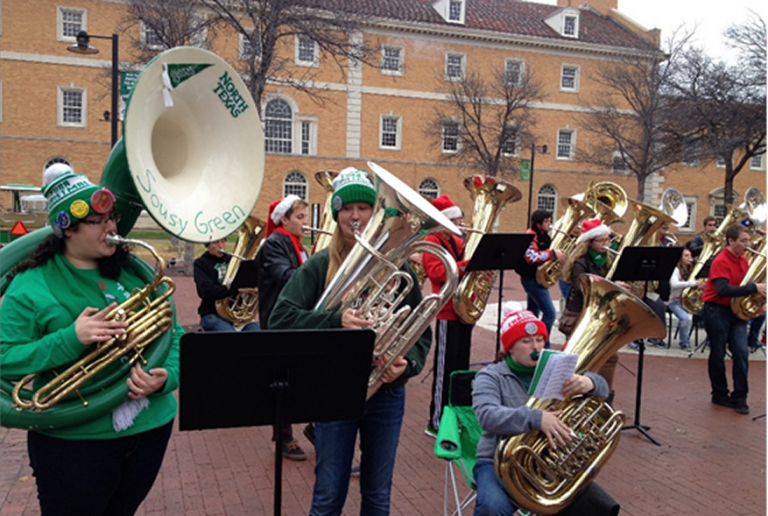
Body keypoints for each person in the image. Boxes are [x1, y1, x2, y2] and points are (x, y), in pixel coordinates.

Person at [0, 166, 181, 516]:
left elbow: (172, 332)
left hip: (150, 426)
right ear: (66, 229)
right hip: (75, 440)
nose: (111, 228)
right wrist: (72, 338)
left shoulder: (132, 272)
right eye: (97, 221)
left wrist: (166, 376)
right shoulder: (31, 284)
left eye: (111, 218)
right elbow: (4, 357)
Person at [269, 168, 432, 516]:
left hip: (386, 392)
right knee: (328, 496)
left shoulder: (397, 266)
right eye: (346, 208)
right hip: (334, 390)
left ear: (375, 212)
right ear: (337, 214)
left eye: (363, 207)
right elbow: (280, 319)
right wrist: (334, 320)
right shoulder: (318, 266)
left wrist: (406, 365)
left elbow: (420, 330)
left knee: (377, 496)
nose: (355, 216)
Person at [472, 305, 618, 516]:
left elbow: (603, 390)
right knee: (493, 507)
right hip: (497, 462)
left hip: (547, 462)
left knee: (597, 507)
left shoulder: (555, 368)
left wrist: (590, 383)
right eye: (526, 341)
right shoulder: (490, 377)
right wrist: (537, 418)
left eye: (540, 340)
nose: (536, 347)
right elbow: (487, 416)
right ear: (510, 347)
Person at [256, 194, 309, 461]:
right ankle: (284, 437)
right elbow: (288, 278)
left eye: (305, 217)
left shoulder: (298, 244)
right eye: (300, 217)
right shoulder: (274, 244)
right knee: (282, 382)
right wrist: (317, 270)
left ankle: (315, 425)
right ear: (284, 220)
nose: (305, 222)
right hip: (278, 321)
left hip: (297, 319)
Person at [702, 223, 768, 415]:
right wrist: (753, 288)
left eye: (749, 240)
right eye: (743, 241)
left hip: (735, 312)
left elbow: (744, 290)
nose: (748, 245)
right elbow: (722, 290)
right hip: (717, 310)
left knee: (741, 352)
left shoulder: (744, 260)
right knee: (718, 353)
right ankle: (719, 393)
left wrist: (759, 302)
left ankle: (740, 396)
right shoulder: (721, 260)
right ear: (731, 241)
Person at [423, 195, 473, 437]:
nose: (460, 224)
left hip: (464, 310)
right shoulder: (432, 241)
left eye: (459, 220)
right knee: (445, 369)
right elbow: (436, 273)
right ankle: (436, 421)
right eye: (455, 220)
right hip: (446, 311)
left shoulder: (456, 240)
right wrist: (466, 265)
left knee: (461, 369)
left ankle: (458, 416)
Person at [560, 219, 620, 401]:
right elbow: (583, 286)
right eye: (601, 241)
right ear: (590, 242)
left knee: (610, 356)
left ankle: (604, 398)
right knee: (578, 359)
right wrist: (611, 286)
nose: (606, 244)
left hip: (601, 315)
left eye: (607, 240)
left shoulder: (607, 261)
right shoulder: (580, 262)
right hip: (581, 315)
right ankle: (570, 395)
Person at [514, 209, 567, 347]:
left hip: (537, 278)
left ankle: (528, 341)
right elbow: (531, 257)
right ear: (538, 224)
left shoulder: (544, 236)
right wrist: (552, 253)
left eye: (550, 220)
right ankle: (543, 344)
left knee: (532, 313)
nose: (550, 224)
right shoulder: (531, 235)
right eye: (546, 221)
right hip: (531, 279)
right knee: (550, 314)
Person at [193, 238, 260, 332]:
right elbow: (205, 291)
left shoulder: (234, 260)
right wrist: (235, 289)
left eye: (223, 241)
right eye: (215, 242)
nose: (220, 246)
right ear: (208, 245)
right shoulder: (201, 263)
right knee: (230, 336)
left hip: (238, 315)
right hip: (212, 313)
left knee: (257, 334)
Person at [668, 247, 705, 350]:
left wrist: (701, 285)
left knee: (710, 314)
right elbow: (674, 284)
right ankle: (684, 342)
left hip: (689, 301)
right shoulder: (675, 270)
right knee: (684, 318)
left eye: (690, 256)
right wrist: (693, 283)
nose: (689, 258)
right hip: (675, 301)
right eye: (686, 256)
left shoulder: (692, 270)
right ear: (680, 258)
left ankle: (712, 342)